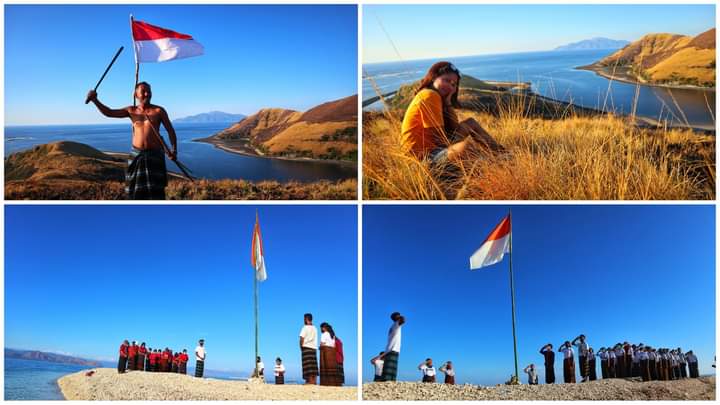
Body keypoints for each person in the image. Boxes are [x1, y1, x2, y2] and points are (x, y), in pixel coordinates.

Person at [400, 61, 505, 168]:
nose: (450, 86)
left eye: (454, 84)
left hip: (434, 151)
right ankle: (496, 163)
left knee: (470, 123)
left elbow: (454, 128)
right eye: (446, 80)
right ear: (433, 78)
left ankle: (502, 154)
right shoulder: (429, 95)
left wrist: (448, 102)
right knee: (467, 147)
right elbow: (440, 139)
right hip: (421, 160)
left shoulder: (437, 97)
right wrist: (459, 147)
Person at [86, 82, 178, 200]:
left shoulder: (159, 111)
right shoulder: (131, 110)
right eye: (143, 91)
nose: (147, 94)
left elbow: (171, 131)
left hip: (155, 156)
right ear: (135, 95)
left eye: (149, 91)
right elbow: (109, 113)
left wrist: (174, 150)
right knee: (135, 191)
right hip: (137, 155)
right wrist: (95, 100)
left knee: (156, 191)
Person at [379, 312, 404, 382]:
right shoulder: (396, 324)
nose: (399, 316)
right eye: (398, 316)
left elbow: (402, 320)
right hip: (393, 349)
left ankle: (389, 382)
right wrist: (400, 317)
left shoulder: (393, 326)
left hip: (390, 349)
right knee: (390, 370)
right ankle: (387, 382)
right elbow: (403, 319)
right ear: (396, 318)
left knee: (390, 369)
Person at [319, 322, 341, 386]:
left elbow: (322, 343)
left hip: (326, 351)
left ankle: (326, 382)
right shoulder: (332, 335)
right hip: (332, 351)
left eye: (321, 328)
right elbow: (334, 345)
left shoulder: (324, 334)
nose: (321, 329)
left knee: (325, 366)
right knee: (332, 367)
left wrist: (320, 347)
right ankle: (334, 382)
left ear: (324, 328)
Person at [299, 313, 319, 385]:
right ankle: (314, 381)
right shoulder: (315, 328)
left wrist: (301, 347)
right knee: (313, 365)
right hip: (313, 348)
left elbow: (302, 338)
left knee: (307, 365)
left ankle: (309, 381)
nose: (303, 320)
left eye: (304, 319)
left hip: (306, 347)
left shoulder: (305, 327)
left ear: (306, 319)